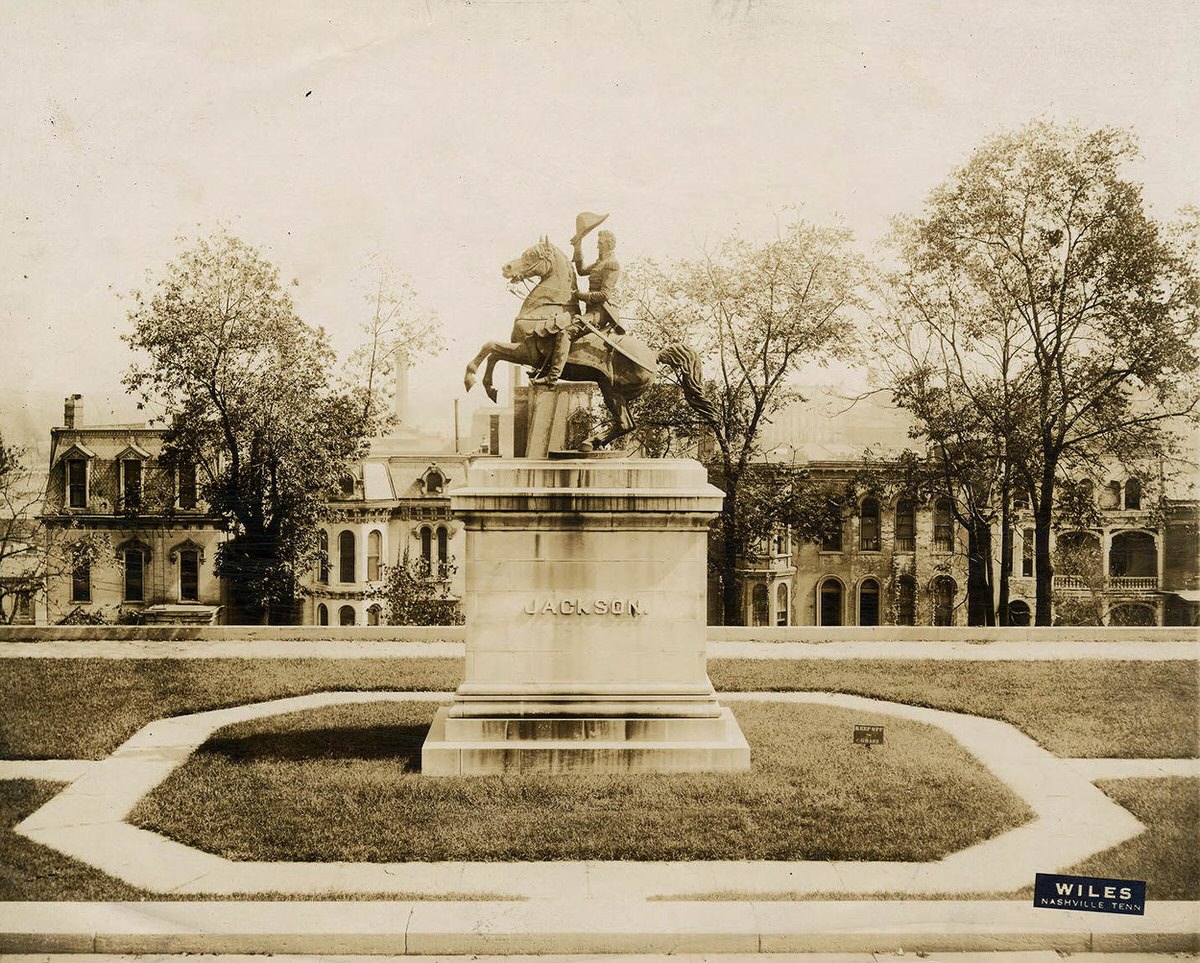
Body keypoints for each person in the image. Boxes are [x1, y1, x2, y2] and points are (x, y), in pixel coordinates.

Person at [530, 216, 623, 386]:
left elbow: (604, 295)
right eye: (598, 243)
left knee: (566, 332)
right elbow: (580, 270)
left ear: (609, 244)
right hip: (591, 311)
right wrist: (578, 245)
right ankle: (544, 366)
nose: (598, 245)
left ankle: (553, 376)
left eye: (600, 243)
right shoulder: (600, 263)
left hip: (599, 313)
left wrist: (580, 295)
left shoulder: (611, 264)